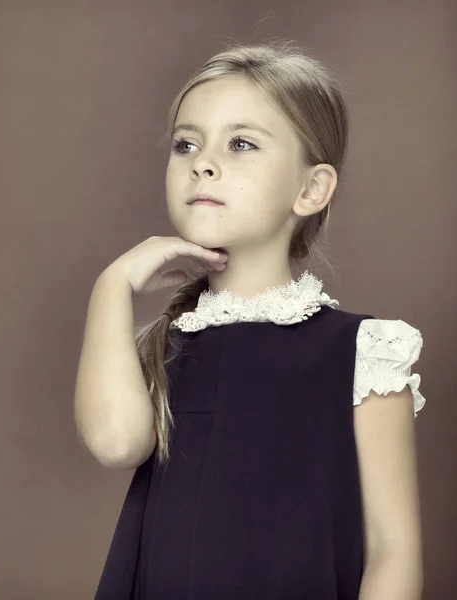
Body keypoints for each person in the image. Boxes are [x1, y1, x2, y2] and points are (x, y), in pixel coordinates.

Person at [74, 40, 426, 600]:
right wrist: (111, 286)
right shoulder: (164, 344)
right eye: (186, 144)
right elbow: (117, 443)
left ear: (311, 189)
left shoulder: (366, 352)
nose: (202, 163)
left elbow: (392, 549)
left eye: (241, 144)